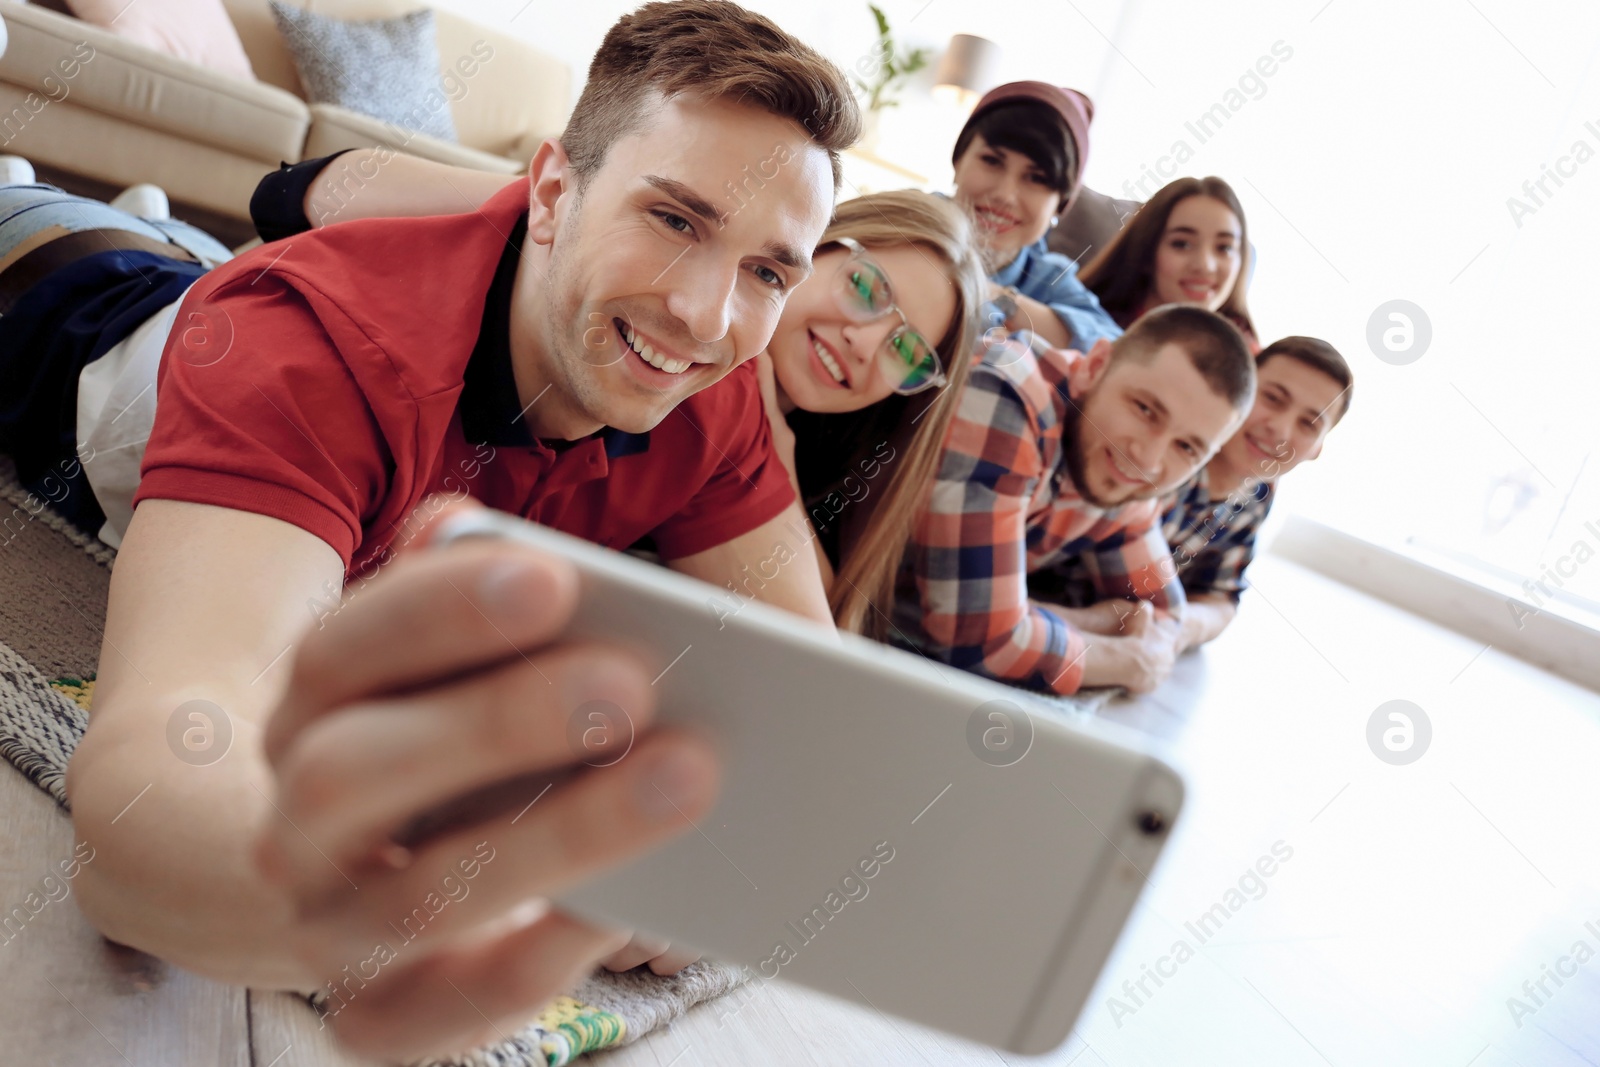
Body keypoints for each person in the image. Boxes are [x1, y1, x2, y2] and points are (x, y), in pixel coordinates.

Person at [8, 3, 862, 1062]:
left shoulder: (709, 384)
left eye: (768, 270)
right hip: (64, 290)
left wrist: (717, 850)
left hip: (242, 266)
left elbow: (823, 704)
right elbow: (164, 765)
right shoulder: (314, 356)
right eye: (674, 218)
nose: (703, 311)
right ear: (550, 191)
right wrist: (316, 892)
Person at [893, 305, 1258, 696]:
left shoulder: (1123, 476)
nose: (1148, 458)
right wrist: (1126, 662)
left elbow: (1164, 615)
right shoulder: (1008, 388)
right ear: (1096, 366)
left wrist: (1031, 620)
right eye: (1146, 409)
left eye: (1186, 447)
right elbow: (978, 641)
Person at [1035, 336, 1354, 651]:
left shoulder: (1257, 495)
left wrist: (1173, 628)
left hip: (1073, 631)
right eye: (1272, 398)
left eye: (1308, 424)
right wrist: (1124, 622)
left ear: (1317, 449)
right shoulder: (1155, 458)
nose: (1281, 431)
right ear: (1237, 392)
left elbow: (1221, 598)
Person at [947, 81, 1123, 351]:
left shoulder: (1049, 276)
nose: (1005, 195)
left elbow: (1113, 351)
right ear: (958, 161)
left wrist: (996, 296)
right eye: (992, 160)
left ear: (1059, 205)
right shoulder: (902, 218)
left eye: (1036, 178)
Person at [1078, 175, 1261, 350]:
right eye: (1182, 244)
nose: (1205, 265)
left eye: (1225, 248)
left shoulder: (1255, 369)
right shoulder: (1083, 326)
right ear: (1146, 251)